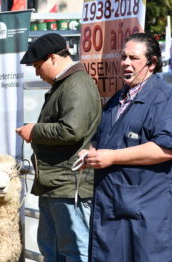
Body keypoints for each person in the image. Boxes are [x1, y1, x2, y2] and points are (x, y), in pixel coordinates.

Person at [79, 33, 172, 262]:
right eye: (123, 57)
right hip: (111, 209)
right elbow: (102, 139)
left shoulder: (164, 98)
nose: (125, 63)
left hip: (145, 214)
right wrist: (90, 152)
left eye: (133, 58)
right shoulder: (117, 98)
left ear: (151, 63)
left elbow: (165, 149)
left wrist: (113, 157)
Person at [16, 33, 101, 262]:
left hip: (68, 184)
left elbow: (72, 130)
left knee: (75, 249)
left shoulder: (77, 84)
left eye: (37, 66)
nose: (36, 73)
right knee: (53, 249)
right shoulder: (66, 84)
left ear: (52, 58)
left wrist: (34, 131)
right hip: (56, 183)